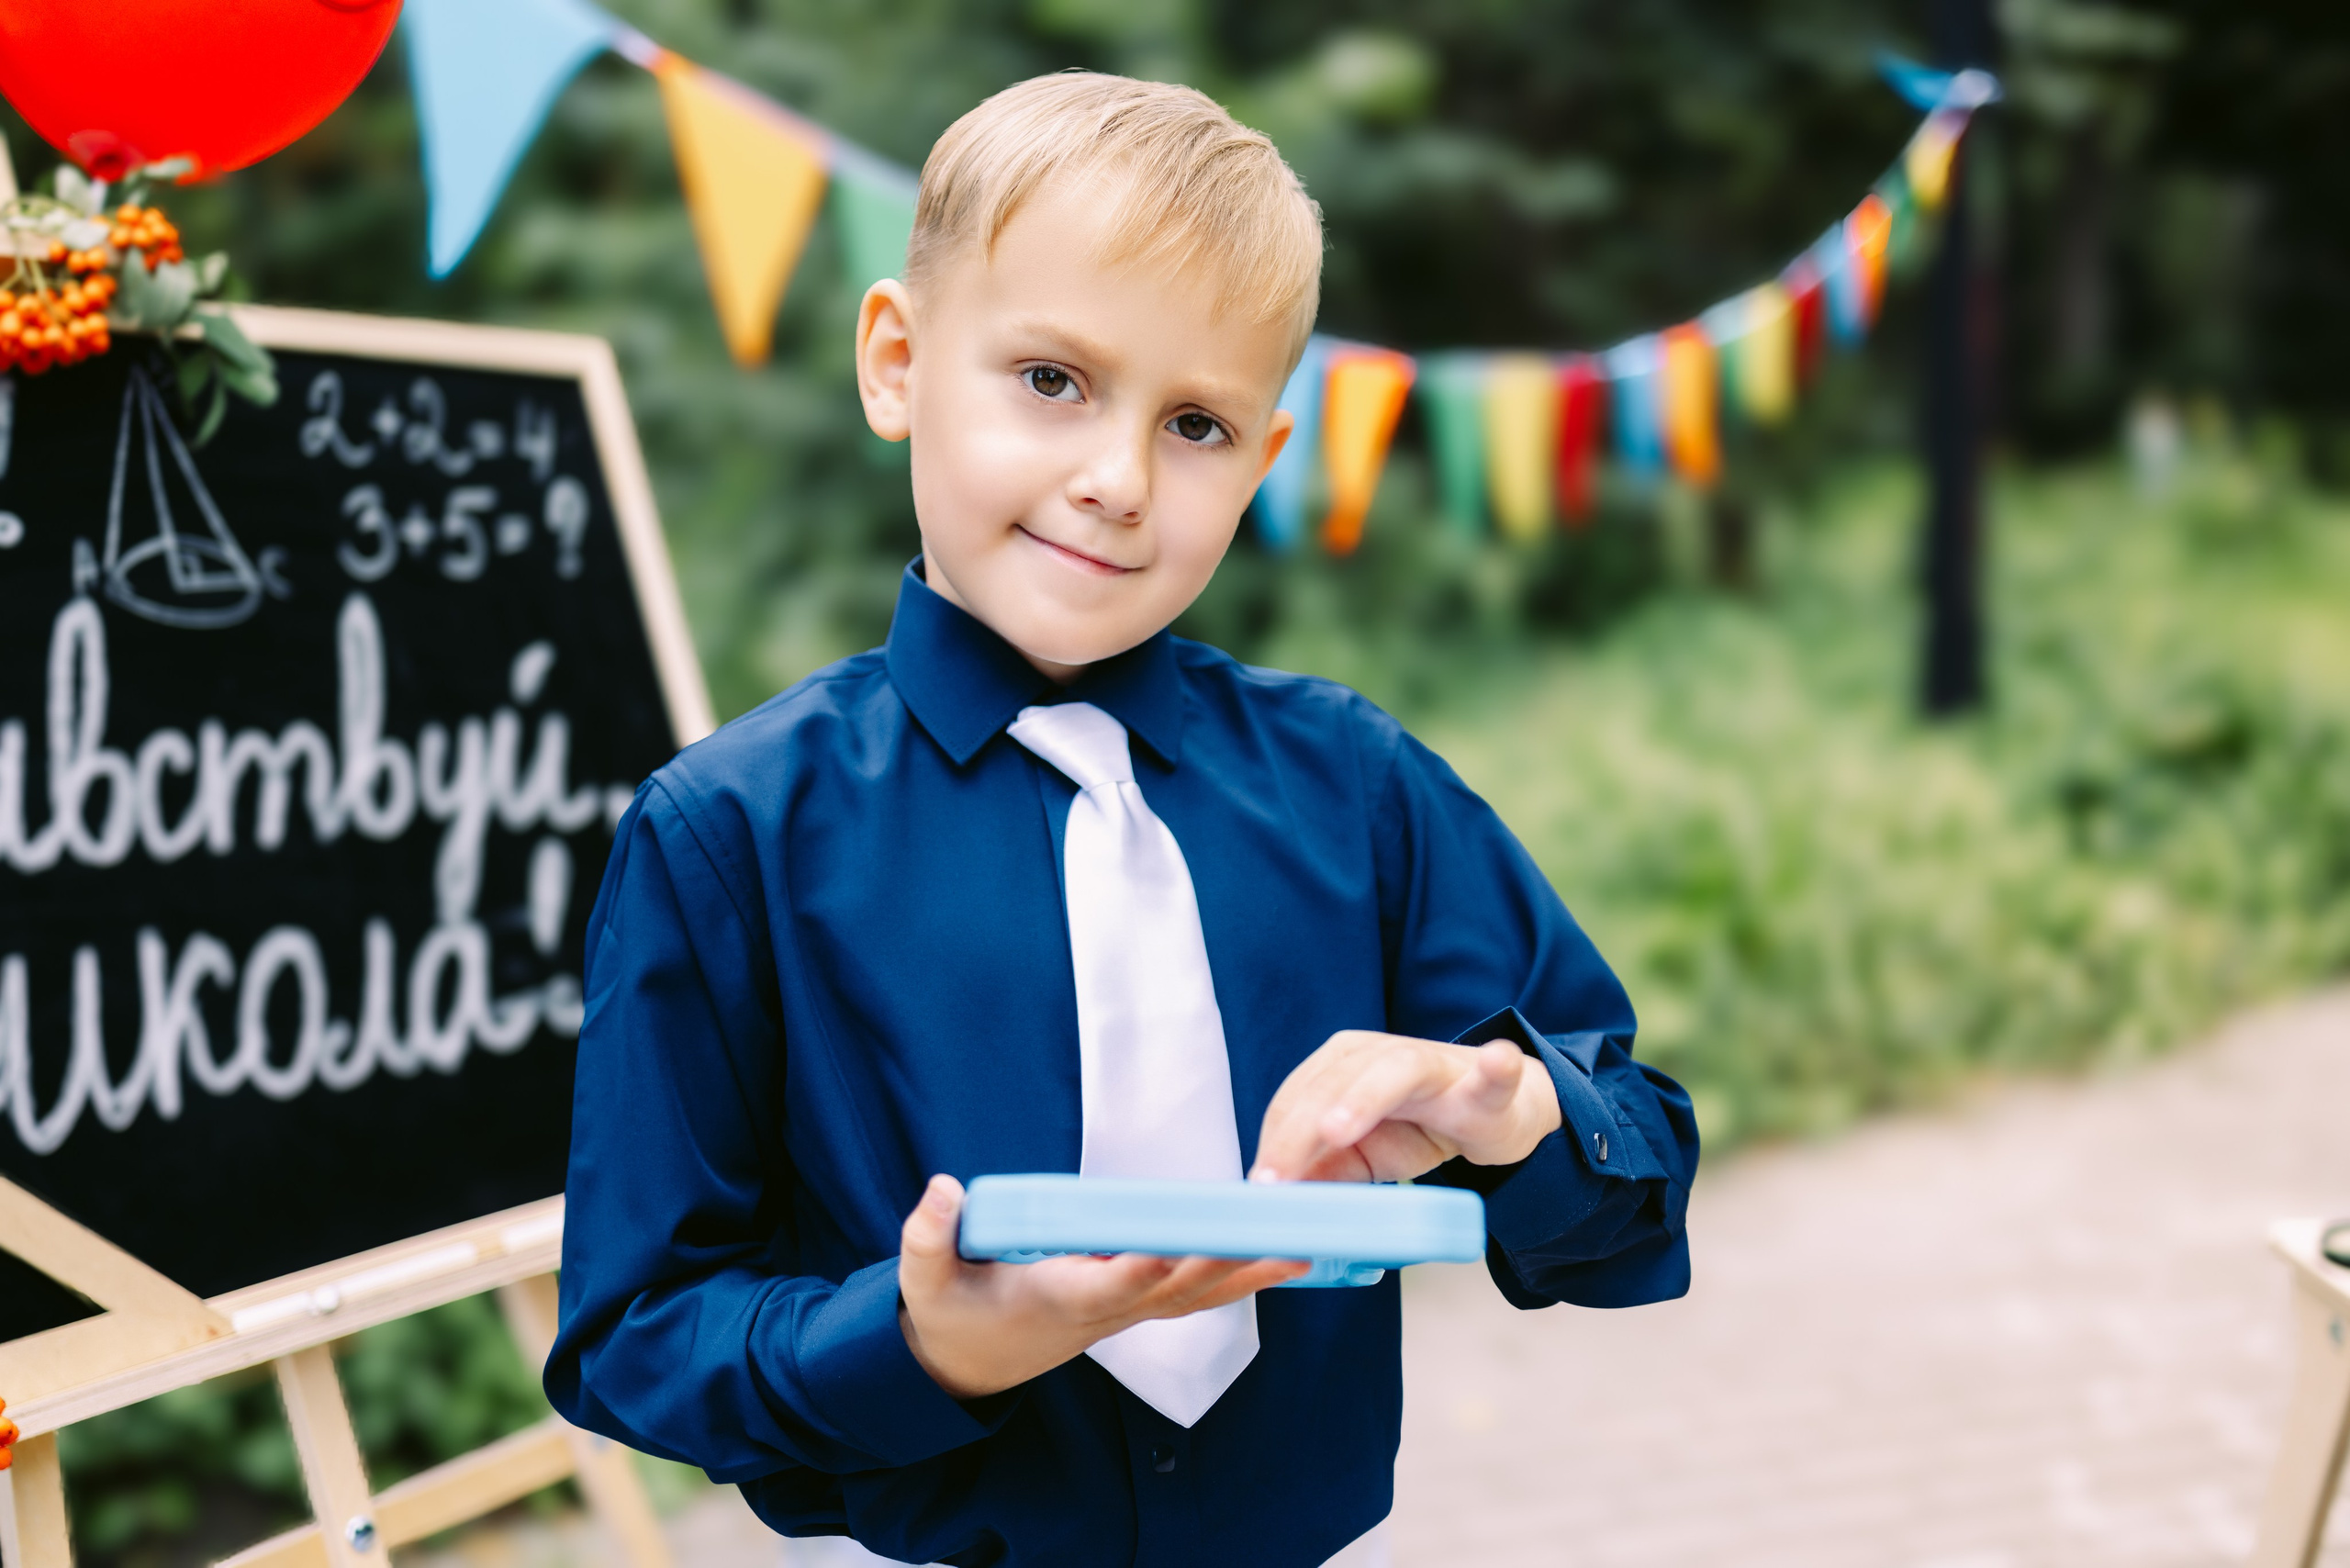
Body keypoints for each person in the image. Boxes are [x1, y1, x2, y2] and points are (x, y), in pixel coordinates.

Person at [545, 71, 1698, 1568]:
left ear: (1268, 464)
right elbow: (634, 1333)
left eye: (1199, 425)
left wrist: (1514, 1108)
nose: (1117, 482)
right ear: (896, 361)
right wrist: (923, 1343)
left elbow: (1645, 1164)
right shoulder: (727, 839)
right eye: (1051, 381)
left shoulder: (1354, 786)